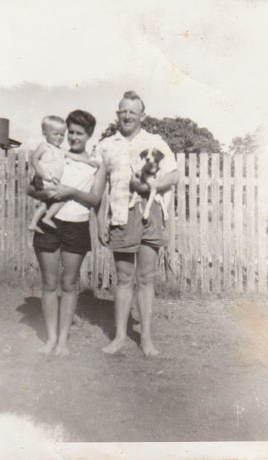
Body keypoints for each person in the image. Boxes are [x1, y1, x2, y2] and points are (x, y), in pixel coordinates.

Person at [47, 91, 178, 357]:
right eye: (123, 111)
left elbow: (173, 175)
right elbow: (97, 182)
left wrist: (153, 184)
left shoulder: (155, 141)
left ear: (142, 115)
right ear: (118, 115)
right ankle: (119, 337)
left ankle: (147, 339)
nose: (127, 115)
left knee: (146, 276)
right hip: (119, 213)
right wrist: (99, 219)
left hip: (150, 212)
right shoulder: (107, 145)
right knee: (124, 277)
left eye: (133, 111)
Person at [26, 110, 100, 355]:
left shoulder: (95, 163)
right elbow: (31, 188)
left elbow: (95, 199)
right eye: (71, 132)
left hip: (76, 224)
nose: (73, 137)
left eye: (79, 133)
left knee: (69, 284)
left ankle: (63, 342)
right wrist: (46, 193)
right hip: (50, 224)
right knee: (49, 283)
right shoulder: (53, 152)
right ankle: (50, 339)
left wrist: (70, 192)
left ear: (89, 135)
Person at [29, 116, 100, 233]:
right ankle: (46, 218)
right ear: (45, 133)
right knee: (61, 198)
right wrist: (38, 171)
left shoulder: (60, 150)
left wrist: (88, 161)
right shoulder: (44, 147)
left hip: (53, 181)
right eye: (55, 134)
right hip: (45, 179)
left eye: (62, 134)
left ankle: (34, 222)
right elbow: (34, 158)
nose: (59, 137)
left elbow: (75, 157)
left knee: (46, 203)